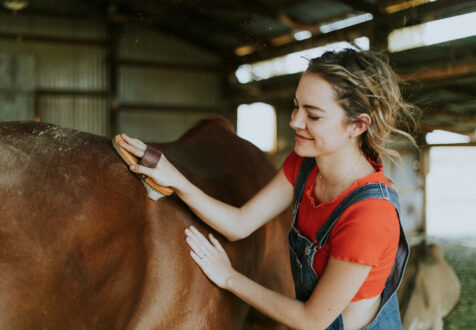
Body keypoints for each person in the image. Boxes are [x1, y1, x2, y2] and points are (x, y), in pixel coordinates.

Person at [117, 49, 418, 330]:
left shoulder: (369, 216)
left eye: (313, 115)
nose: (295, 121)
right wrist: (177, 180)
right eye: (296, 106)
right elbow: (239, 224)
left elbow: (311, 319)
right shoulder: (304, 166)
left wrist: (230, 278)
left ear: (357, 125)